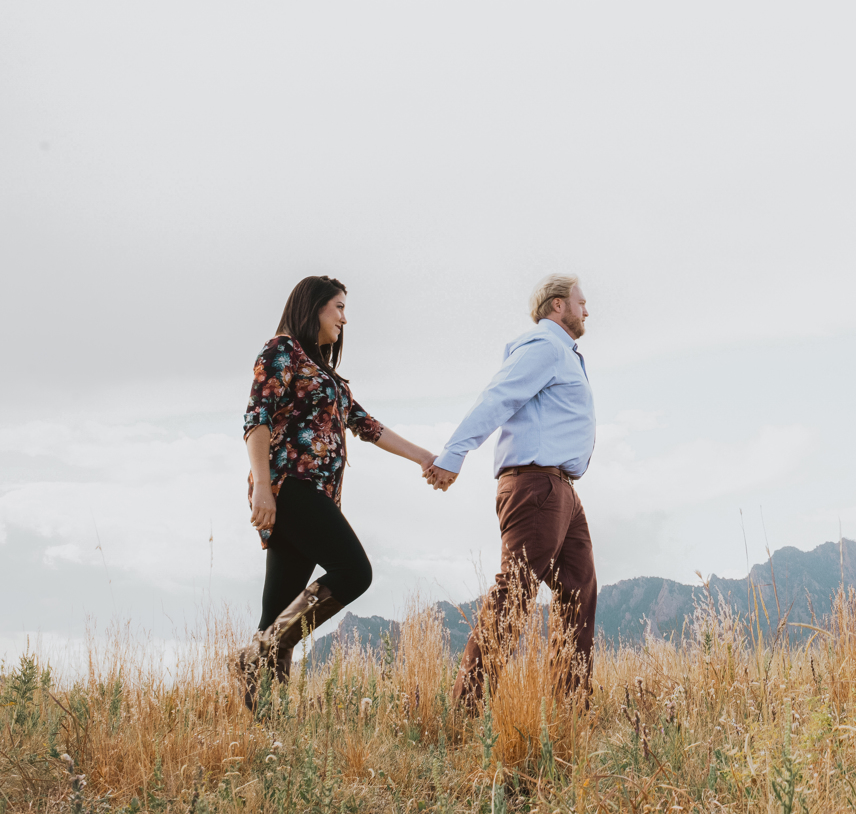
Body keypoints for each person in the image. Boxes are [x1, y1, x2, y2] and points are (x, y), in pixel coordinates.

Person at [232, 275, 437, 707]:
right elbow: (257, 420)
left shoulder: (325, 373)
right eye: (338, 307)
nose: (345, 317)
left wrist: (424, 457)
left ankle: (266, 722)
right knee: (354, 573)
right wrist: (263, 489)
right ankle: (262, 651)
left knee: (277, 610)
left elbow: (369, 427)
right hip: (292, 487)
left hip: (316, 495)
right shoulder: (281, 350)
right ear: (314, 308)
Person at [424, 273, 598, 708]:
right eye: (581, 302)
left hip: (562, 489)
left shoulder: (564, 353)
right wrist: (454, 452)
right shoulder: (544, 346)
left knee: (579, 590)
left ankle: (569, 706)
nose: (586, 310)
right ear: (557, 305)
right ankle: (467, 706)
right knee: (515, 593)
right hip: (537, 484)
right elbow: (498, 397)